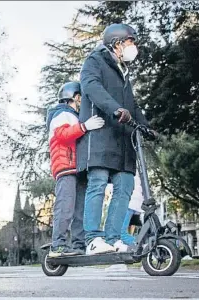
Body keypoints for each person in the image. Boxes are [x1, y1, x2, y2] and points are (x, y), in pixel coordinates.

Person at [77, 23, 150, 255]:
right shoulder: (94, 61)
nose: (134, 47)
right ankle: (92, 239)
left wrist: (147, 127)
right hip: (101, 135)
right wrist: (115, 109)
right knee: (97, 183)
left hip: (123, 139)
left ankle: (113, 237)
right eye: (131, 42)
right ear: (117, 43)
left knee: (125, 186)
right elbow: (91, 87)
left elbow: (133, 105)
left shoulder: (124, 71)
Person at [46, 81, 105, 257]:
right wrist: (85, 126)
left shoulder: (73, 115)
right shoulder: (61, 113)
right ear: (75, 97)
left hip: (77, 168)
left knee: (80, 209)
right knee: (65, 206)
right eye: (80, 98)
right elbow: (62, 135)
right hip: (66, 166)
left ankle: (78, 245)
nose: (82, 102)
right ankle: (58, 245)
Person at [121, 171, 144, 245]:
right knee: (126, 232)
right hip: (135, 203)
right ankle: (141, 245)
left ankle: (140, 246)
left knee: (121, 234)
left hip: (129, 203)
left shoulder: (126, 169)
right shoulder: (135, 168)